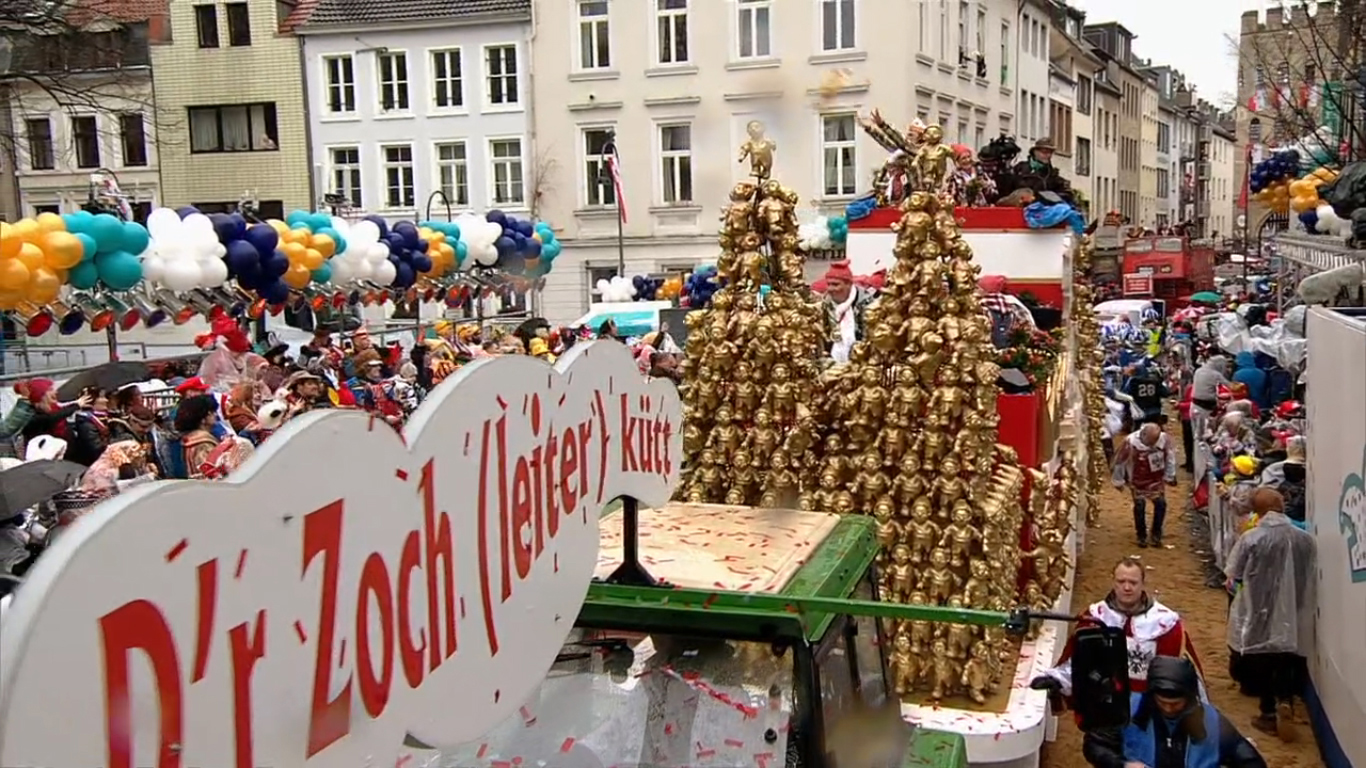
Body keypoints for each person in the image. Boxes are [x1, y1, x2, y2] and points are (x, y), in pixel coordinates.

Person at [1032, 558, 1203, 702]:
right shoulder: (1095, 618)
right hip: (1104, 707)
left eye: (1133, 582)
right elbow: (1078, 663)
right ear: (1113, 582)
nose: (1127, 587)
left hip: (1150, 712)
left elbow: (1180, 674)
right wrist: (1056, 680)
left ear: (1143, 584)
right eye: (1121, 582)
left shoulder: (1165, 623)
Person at [1226, 487, 1316, 741]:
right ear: (1282, 506)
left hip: (1260, 605)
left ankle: (1267, 711)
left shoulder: (1251, 538)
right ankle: (1285, 699)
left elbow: (1234, 573)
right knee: (1287, 652)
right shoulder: (1305, 539)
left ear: (1258, 511)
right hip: (1295, 604)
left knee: (1263, 654)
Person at [1082, 655, 1266, 768]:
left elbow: (1250, 761)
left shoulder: (1212, 721)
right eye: (1162, 702)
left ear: (1190, 698)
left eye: (1176, 704)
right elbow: (1094, 744)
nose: (1168, 708)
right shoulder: (1130, 709)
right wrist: (1122, 765)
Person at [1113, 423, 1178, 547]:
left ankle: (1156, 534)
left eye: (1154, 442)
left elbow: (1170, 457)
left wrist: (1169, 475)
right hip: (1137, 480)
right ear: (1143, 435)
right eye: (1150, 442)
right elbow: (1120, 462)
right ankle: (1141, 535)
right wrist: (1118, 480)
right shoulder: (1130, 442)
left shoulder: (1165, 440)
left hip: (1156, 479)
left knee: (1161, 504)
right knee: (1139, 505)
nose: (1152, 445)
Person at [0, 379, 90, 457]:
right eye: (50, 389)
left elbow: (63, 409)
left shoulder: (54, 408)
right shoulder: (34, 417)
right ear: (41, 396)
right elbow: (51, 418)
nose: (55, 392)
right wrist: (76, 405)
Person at [821, 260, 876, 363]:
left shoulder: (866, 303)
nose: (830, 289)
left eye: (835, 284)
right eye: (828, 284)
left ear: (849, 284)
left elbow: (869, 336)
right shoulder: (826, 304)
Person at [174, 394, 222, 480]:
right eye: (211, 412)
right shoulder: (203, 444)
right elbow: (211, 472)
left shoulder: (188, 439)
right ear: (203, 419)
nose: (215, 415)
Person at [1189, 355, 1228, 437]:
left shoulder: (1198, 371)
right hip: (1205, 408)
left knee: (1196, 434)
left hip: (1194, 405)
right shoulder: (1215, 374)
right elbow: (1229, 386)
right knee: (1204, 435)